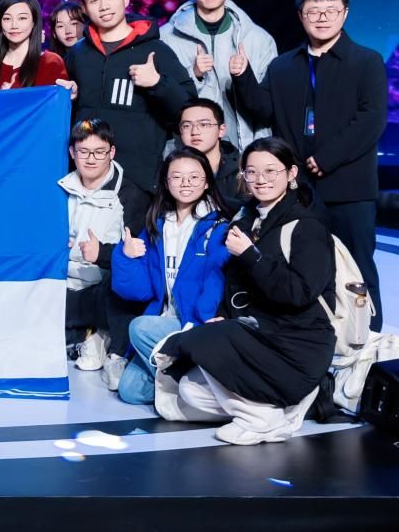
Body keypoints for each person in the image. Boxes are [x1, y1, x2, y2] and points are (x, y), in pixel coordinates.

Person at [157, 137, 335, 445]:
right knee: (187, 391)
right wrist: (223, 315)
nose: (260, 179)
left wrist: (252, 255)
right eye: (251, 172)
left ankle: (265, 417)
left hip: (296, 342)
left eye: (270, 171)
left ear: (291, 173)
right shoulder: (246, 219)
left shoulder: (307, 227)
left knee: (197, 342)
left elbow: (299, 293)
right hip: (256, 333)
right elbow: (233, 284)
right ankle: (275, 411)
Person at [231, 0, 386, 330]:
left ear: (345, 14)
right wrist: (242, 76)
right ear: (301, 16)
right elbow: (262, 110)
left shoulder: (367, 61)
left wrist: (327, 158)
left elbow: (372, 118)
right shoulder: (283, 66)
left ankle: (368, 337)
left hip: (350, 188)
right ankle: (316, 335)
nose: (322, 18)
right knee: (303, 265)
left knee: (358, 264)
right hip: (299, 189)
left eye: (331, 11)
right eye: (314, 11)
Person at [111, 146, 232, 405]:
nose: (185, 183)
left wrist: (199, 324)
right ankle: (192, 381)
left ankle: (194, 377)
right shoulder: (158, 224)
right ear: (166, 183)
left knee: (139, 327)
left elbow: (216, 282)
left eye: (194, 177)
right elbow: (139, 290)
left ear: (207, 182)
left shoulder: (218, 228)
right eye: (177, 177)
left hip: (193, 323)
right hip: (164, 320)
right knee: (130, 391)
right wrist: (125, 257)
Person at [64, 0, 196, 194]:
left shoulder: (156, 51)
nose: (104, 6)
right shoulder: (78, 54)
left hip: (136, 181)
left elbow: (189, 110)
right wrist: (70, 97)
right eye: (94, 0)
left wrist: (157, 83)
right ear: (84, 8)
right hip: (83, 178)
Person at [59, 119, 150, 384]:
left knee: (123, 277)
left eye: (99, 152)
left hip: (102, 286)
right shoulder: (58, 189)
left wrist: (102, 253)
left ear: (112, 152)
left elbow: (139, 255)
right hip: (62, 282)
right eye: (84, 151)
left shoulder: (132, 195)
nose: (91, 159)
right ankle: (84, 337)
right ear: (72, 153)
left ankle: (112, 347)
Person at [159, 0, 275, 150]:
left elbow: (268, 108)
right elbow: (159, 102)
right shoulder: (166, 37)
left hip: (245, 149)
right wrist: (193, 74)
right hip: (187, 153)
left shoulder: (259, 40)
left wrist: (244, 76)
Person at [0, 0, 68, 89]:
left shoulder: (51, 63)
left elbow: (60, 98)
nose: (14, 25)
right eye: (7, 19)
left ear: (34, 22)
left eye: (22, 18)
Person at [176, 98, 241, 204]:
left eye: (203, 125)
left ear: (221, 130)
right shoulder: (171, 171)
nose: (194, 132)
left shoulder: (242, 169)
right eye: (187, 126)